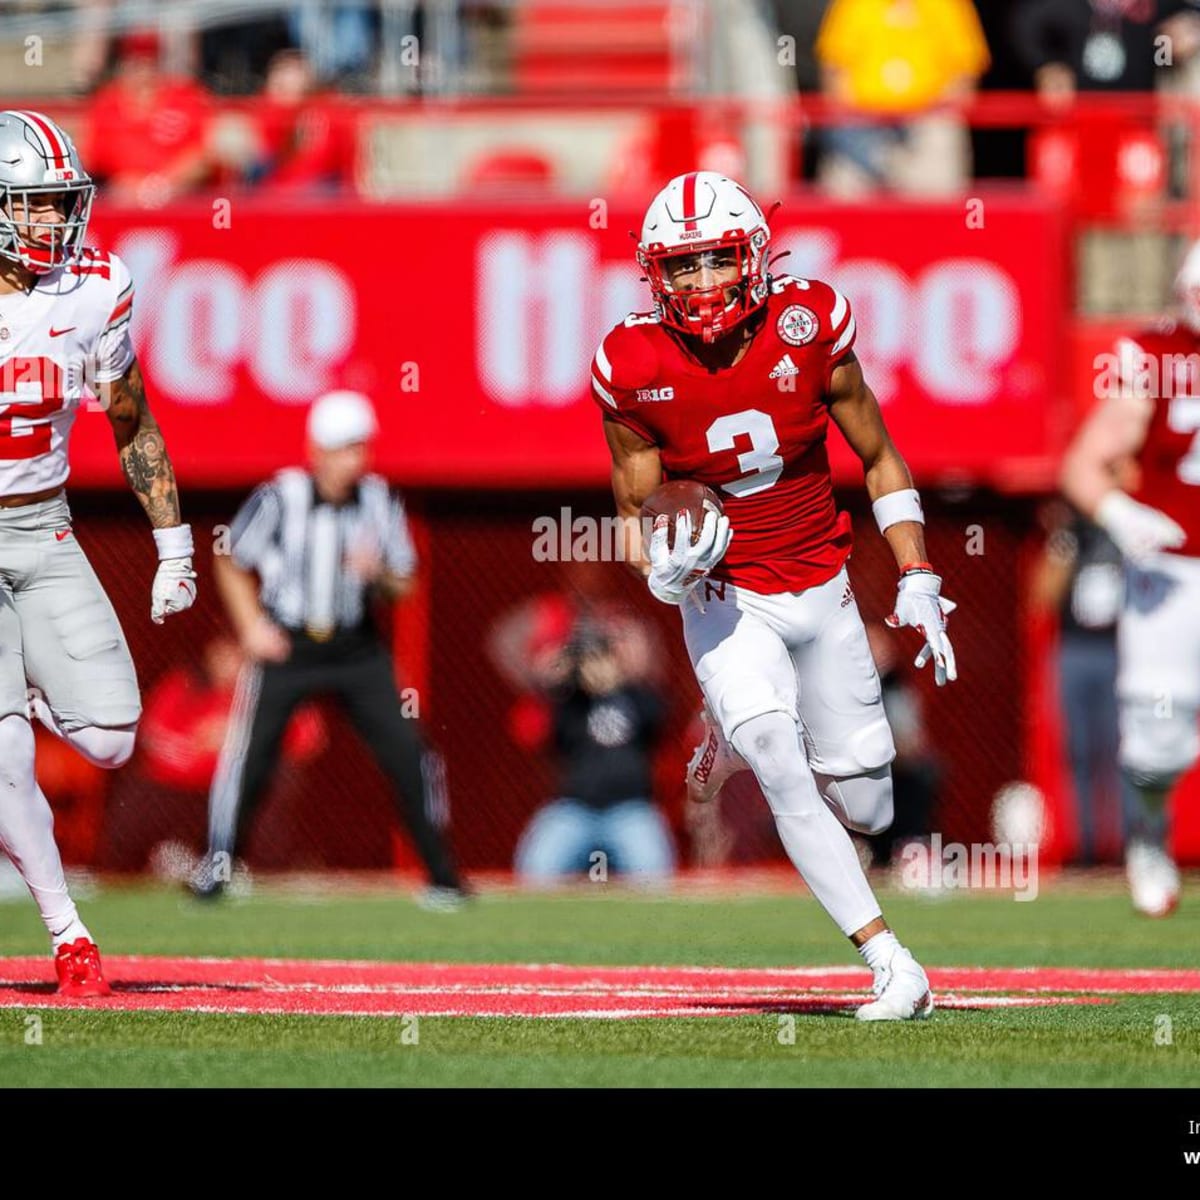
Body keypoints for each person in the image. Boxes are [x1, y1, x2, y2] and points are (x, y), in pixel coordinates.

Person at [592, 171, 957, 1020]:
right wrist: (664, 571)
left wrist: (918, 574)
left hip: (823, 588)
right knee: (781, 764)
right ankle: (891, 963)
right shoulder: (631, 361)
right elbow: (635, 508)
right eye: (680, 269)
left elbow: (880, 457)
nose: (701, 284)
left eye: (716, 261)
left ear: (754, 254)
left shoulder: (810, 322)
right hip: (727, 602)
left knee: (867, 800)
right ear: (654, 275)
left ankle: (734, 732)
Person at [0, 109, 198, 995]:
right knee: (3, 759)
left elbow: (128, 416)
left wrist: (174, 544)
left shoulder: (95, 285)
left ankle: (25, 692)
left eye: (58, 203)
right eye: (33, 206)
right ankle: (69, 933)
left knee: (113, 736)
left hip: (42, 526)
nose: (53, 222)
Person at [191, 389, 466, 907]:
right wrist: (251, 626)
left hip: (356, 647)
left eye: (359, 449)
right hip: (289, 644)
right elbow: (229, 555)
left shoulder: (380, 500)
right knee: (250, 756)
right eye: (342, 450)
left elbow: (404, 580)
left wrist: (378, 574)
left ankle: (441, 874)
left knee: (409, 751)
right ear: (317, 450)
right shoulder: (280, 497)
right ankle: (220, 866)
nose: (353, 462)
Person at [1060, 238, 1200, 916]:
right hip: (1171, 572)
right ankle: (1149, 833)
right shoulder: (1157, 359)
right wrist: (1119, 512)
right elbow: (1084, 463)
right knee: (1158, 733)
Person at [514, 620, 673, 885]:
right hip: (575, 809)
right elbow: (539, 731)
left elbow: (657, 717)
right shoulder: (570, 702)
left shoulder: (636, 697)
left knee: (655, 879)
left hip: (631, 810)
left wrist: (615, 684)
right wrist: (558, 676)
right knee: (536, 871)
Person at [1029, 500, 1124, 864]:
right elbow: (1043, 598)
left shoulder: (1124, 534)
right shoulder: (1071, 536)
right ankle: (1084, 846)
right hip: (1076, 649)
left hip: (1119, 651)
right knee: (1079, 751)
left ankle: (1127, 845)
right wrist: (1063, 542)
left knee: (1120, 753)